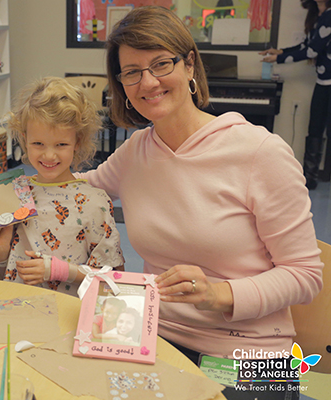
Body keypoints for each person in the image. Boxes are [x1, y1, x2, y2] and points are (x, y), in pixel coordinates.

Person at [78, 6, 323, 399]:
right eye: (132, 72)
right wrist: (19, 187)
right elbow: (78, 191)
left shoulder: (260, 151)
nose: (149, 82)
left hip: (252, 355)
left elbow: (305, 274)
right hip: (157, 336)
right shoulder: (135, 152)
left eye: (161, 64)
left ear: (190, 66)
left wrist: (218, 294)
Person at [0, 77, 125, 295]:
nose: (49, 155)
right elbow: (7, 277)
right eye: (38, 144)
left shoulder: (95, 202)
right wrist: (1, 252)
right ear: (24, 140)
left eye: (61, 144)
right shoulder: (15, 194)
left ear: (77, 143)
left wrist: (60, 271)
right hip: (19, 310)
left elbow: (113, 280)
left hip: (71, 314)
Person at [260, 0, 331, 190]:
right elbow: (306, 45)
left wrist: (279, 58)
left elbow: (311, 51)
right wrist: (281, 51)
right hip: (322, 82)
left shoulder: (329, 16)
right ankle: (310, 178)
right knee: (314, 128)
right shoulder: (320, 16)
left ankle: (314, 177)